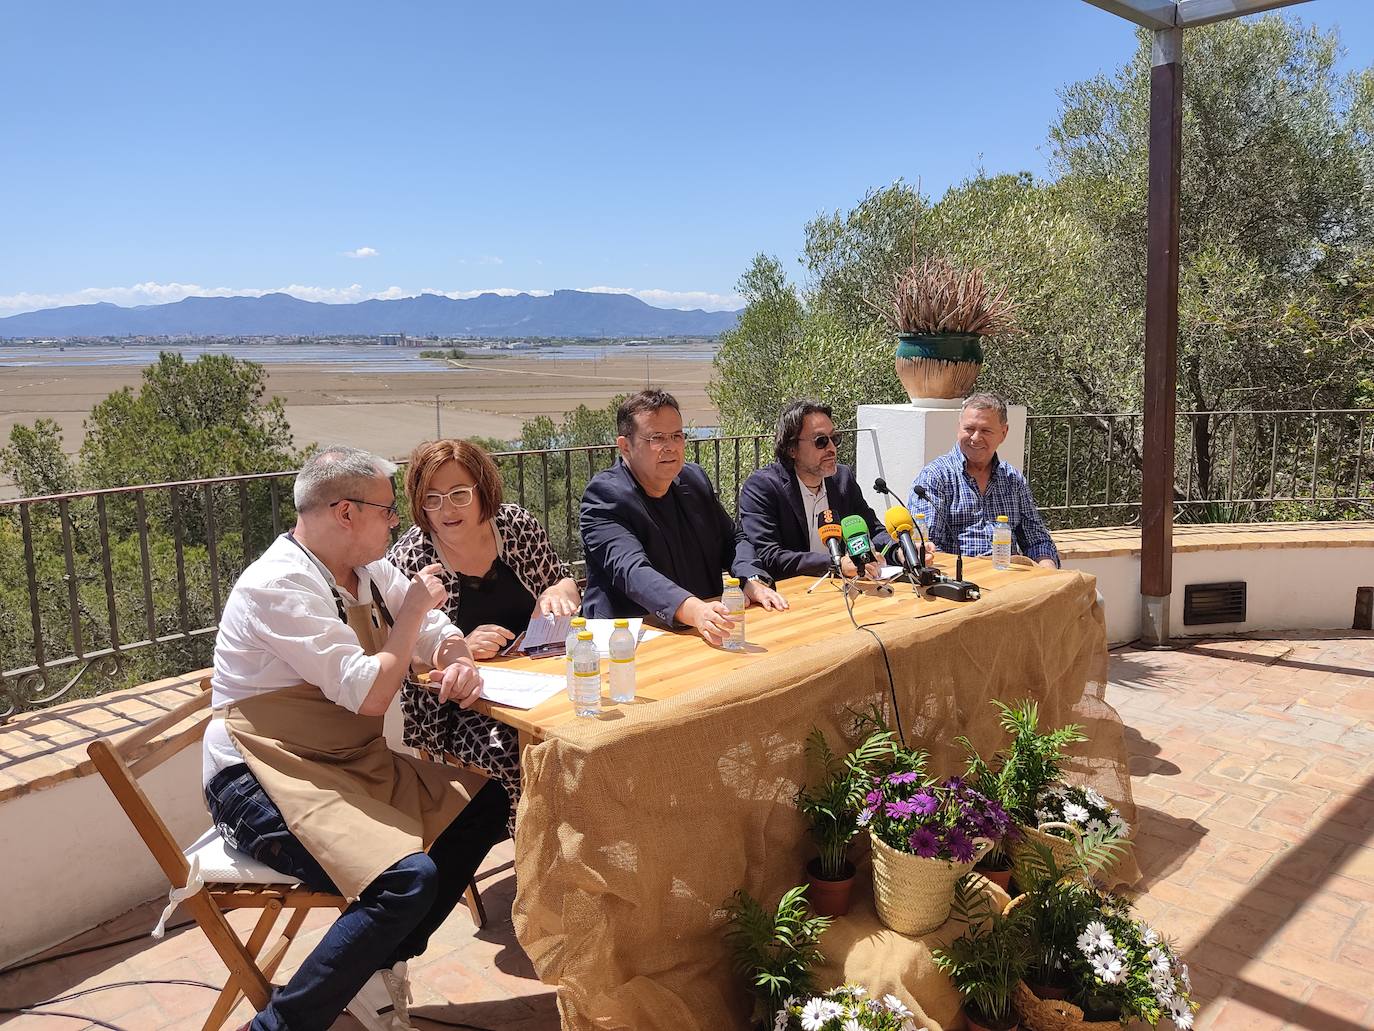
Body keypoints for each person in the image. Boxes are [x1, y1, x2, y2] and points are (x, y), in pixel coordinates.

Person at [204, 445, 508, 1031]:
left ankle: (373, 967)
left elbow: (436, 632)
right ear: (346, 512)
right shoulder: (279, 585)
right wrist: (417, 612)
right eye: (388, 510)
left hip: (346, 764)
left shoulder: (365, 572)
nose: (396, 521)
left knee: (487, 800)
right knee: (404, 881)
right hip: (259, 777)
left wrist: (455, 655)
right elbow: (368, 692)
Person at [387, 438, 578, 837]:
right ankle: (537, 870)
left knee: (596, 729)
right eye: (432, 499)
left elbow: (561, 579)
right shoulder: (412, 558)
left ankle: (585, 845)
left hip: (542, 686)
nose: (446, 509)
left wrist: (557, 592)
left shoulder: (515, 526)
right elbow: (399, 653)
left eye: (458, 494)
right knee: (516, 755)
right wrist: (458, 652)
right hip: (455, 709)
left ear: (482, 490)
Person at [580, 388, 788, 645]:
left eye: (677, 436)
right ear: (625, 446)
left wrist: (751, 579)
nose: (670, 447)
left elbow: (733, 539)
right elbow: (633, 572)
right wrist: (695, 610)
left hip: (705, 630)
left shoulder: (693, 479)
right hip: (630, 644)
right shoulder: (604, 496)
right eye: (656, 438)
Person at [738, 399, 898, 580]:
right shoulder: (762, 488)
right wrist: (836, 563)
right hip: (792, 596)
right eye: (821, 441)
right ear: (792, 449)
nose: (831, 448)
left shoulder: (842, 479)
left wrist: (900, 551)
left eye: (835, 438)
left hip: (847, 589)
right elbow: (769, 557)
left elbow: (873, 530)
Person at [908, 392, 1060, 568]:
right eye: (969, 429)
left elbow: (1037, 540)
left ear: (1003, 433)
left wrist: (1048, 570)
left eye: (986, 430)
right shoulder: (935, 477)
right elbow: (928, 548)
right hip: (959, 580)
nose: (975, 438)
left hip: (1008, 577)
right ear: (958, 428)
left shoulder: (1013, 479)